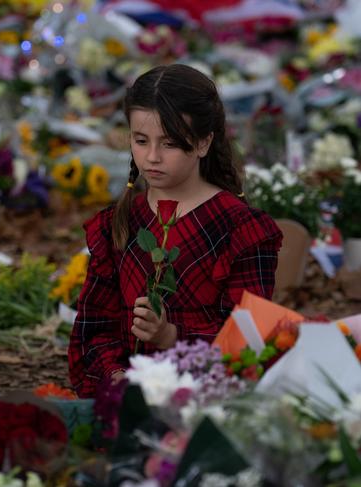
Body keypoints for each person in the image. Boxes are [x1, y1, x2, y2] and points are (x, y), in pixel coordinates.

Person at [68, 64, 283, 398]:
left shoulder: (241, 228)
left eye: (169, 144)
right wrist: (118, 378)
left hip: (205, 398)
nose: (152, 157)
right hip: (124, 397)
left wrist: (171, 336)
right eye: (141, 141)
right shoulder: (119, 222)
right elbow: (95, 327)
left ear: (202, 143)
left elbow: (248, 341)